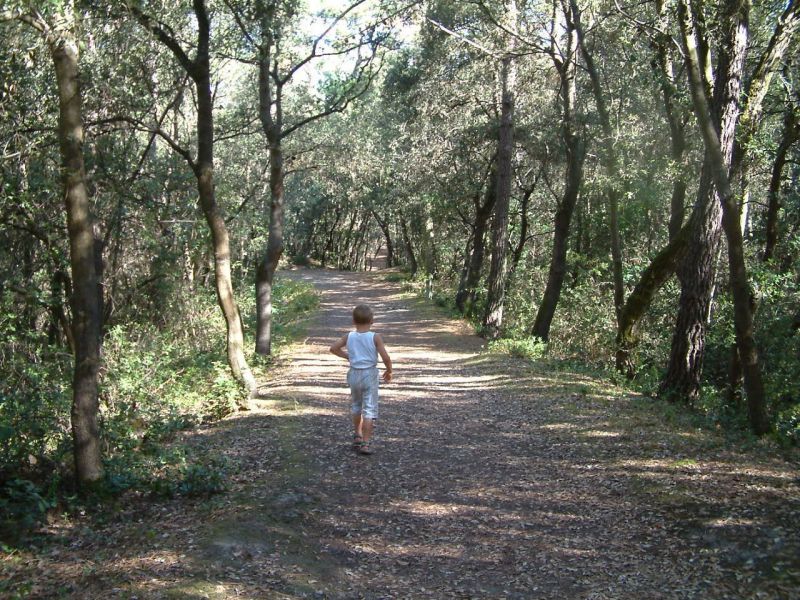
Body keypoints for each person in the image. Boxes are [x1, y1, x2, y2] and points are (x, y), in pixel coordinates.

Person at [329, 304, 393, 455]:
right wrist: (389, 370)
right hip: (369, 374)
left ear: (353, 320)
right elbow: (385, 357)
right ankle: (365, 443)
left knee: (356, 405)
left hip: (354, 374)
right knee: (369, 408)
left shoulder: (349, 336)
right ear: (372, 320)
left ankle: (357, 434)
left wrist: (349, 357)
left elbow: (333, 348)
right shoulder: (375, 337)